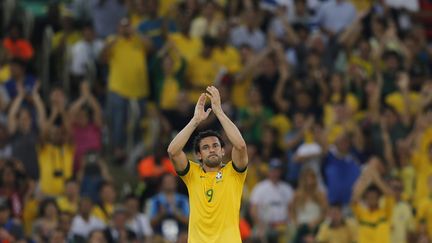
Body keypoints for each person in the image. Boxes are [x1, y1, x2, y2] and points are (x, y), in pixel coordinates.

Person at [167, 86, 248, 242]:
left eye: (215, 146)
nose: (211, 150)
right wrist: (195, 120)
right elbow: (173, 151)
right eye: (206, 147)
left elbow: (240, 146)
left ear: (223, 151)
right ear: (199, 155)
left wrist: (219, 112)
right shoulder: (192, 174)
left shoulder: (234, 172)